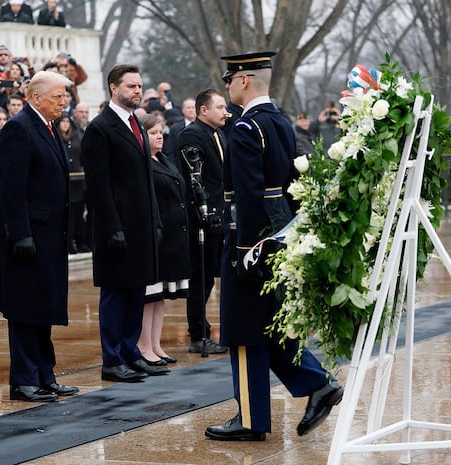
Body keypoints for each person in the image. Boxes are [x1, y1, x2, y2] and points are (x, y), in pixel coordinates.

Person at [205, 51, 343, 442]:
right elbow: (292, 184)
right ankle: (318, 383)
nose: (228, 84)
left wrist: (245, 250)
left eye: (230, 78)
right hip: (280, 234)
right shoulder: (280, 122)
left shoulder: (248, 127)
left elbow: (247, 196)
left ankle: (251, 418)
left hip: (253, 239)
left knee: (244, 330)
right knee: (269, 324)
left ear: (244, 80)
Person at [0, 71, 78, 402]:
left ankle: (45, 375)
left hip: (49, 236)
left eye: (65, 96)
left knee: (44, 307)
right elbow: (11, 187)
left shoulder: (47, 128)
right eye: (57, 96)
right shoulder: (19, 128)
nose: (64, 101)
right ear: (36, 97)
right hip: (27, 239)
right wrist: (20, 233)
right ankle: (24, 380)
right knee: (25, 310)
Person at [81, 64, 168, 382]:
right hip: (115, 228)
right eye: (131, 86)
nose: (137, 90)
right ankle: (112, 358)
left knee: (136, 291)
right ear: (113, 88)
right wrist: (112, 228)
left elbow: (146, 180)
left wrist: (155, 220)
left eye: (139, 85)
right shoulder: (100, 128)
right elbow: (98, 186)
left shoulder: (137, 126)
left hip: (141, 225)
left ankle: (131, 352)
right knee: (117, 294)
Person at [177, 88, 229, 354]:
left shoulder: (218, 133)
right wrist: (206, 213)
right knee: (201, 277)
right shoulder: (192, 135)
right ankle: (197, 333)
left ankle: (207, 328)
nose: (225, 111)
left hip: (220, 214)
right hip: (202, 219)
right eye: (219, 107)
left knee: (211, 276)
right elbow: (195, 179)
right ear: (203, 110)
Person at [137, 113, 190, 366]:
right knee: (149, 296)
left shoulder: (165, 159)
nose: (159, 136)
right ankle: (143, 344)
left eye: (160, 132)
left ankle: (155, 344)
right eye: (153, 133)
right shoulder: (143, 163)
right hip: (155, 236)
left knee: (160, 297)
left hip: (172, 237)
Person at [54, 114, 88, 254]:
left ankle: (80, 242)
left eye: (68, 121)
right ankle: (68, 244)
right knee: (67, 216)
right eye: (63, 121)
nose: (65, 124)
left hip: (78, 183)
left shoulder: (77, 137)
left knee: (79, 214)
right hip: (62, 183)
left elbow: (82, 156)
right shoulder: (55, 138)